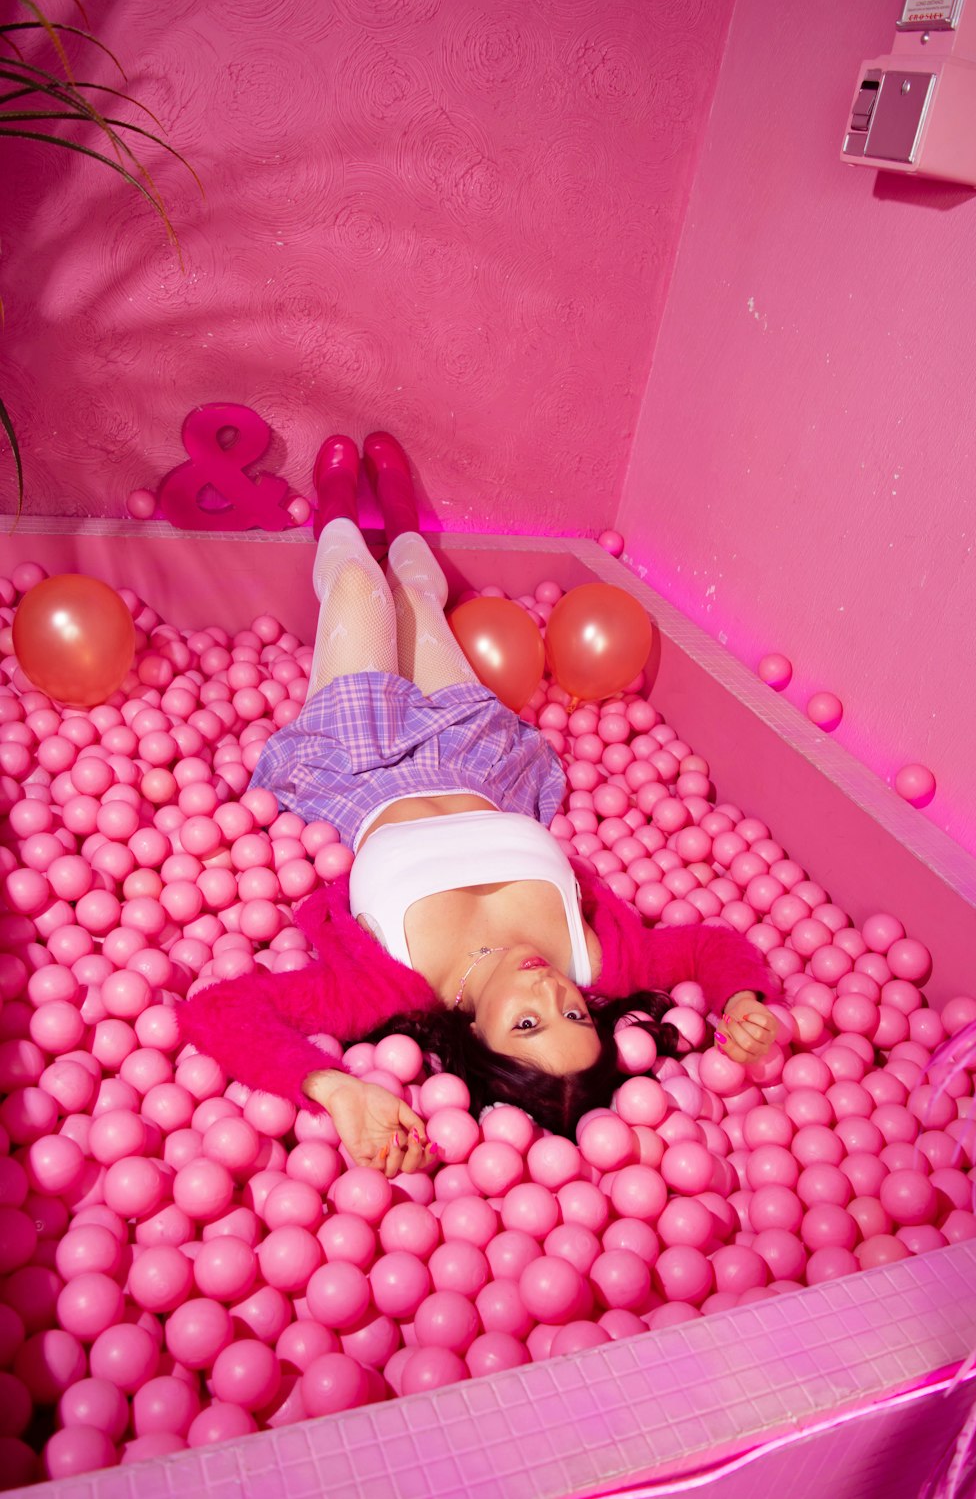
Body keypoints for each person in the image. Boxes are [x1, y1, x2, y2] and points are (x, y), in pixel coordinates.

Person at [177, 431, 779, 1177]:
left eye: (527, 1022)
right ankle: (400, 523)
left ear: (476, 1042)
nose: (549, 989)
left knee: (364, 595)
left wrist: (334, 1091)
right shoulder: (601, 962)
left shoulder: (389, 989)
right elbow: (709, 947)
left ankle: (335, 514)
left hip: (363, 767)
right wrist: (746, 1001)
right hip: (479, 757)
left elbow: (220, 1010)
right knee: (420, 605)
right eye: (573, 1014)